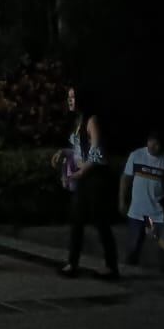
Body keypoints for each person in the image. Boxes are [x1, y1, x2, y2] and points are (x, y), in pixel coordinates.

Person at [60, 114, 119, 278]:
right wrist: (66, 164)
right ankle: (72, 263)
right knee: (76, 220)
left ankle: (111, 267)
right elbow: (76, 150)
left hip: (96, 176)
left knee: (100, 220)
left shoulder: (91, 120)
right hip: (83, 177)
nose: (70, 100)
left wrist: (82, 171)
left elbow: (96, 150)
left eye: (73, 96)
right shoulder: (76, 122)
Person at [122, 130, 164, 266]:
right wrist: (122, 200)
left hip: (158, 215)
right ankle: (129, 276)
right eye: (151, 141)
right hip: (138, 213)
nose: (153, 145)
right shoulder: (136, 155)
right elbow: (125, 179)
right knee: (133, 248)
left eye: (157, 143)